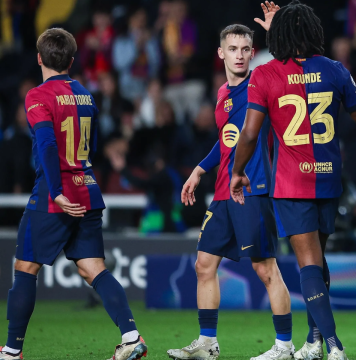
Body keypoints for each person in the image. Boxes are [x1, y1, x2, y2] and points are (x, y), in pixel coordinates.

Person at [229, 2, 356, 360]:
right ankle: (314, 341)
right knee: (319, 259)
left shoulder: (264, 75)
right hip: (328, 179)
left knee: (309, 265)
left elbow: (250, 134)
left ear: (280, 36)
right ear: (314, 32)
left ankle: (334, 346)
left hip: (291, 183)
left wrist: (238, 171)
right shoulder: (334, 70)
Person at [0, 28, 147, 360]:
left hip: (57, 194)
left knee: (25, 267)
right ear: (71, 59)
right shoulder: (86, 95)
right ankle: (131, 336)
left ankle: (11, 352)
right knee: (93, 268)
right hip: (88, 190)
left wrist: (56, 192)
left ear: (39, 58)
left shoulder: (37, 96)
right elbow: (91, 148)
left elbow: (48, 146)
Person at [167, 19, 294, 360]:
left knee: (265, 269)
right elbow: (226, 143)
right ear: (221, 53)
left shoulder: (262, 82)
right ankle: (207, 344)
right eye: (233, 49)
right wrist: (198, 170)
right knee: (203, 265)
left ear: (253, 53)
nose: (239, 56)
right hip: (224, 191)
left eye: (245, 50)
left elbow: (290, 62)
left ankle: (284, 346)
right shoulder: (222, 93)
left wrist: (278, 28)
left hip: (253, 188)